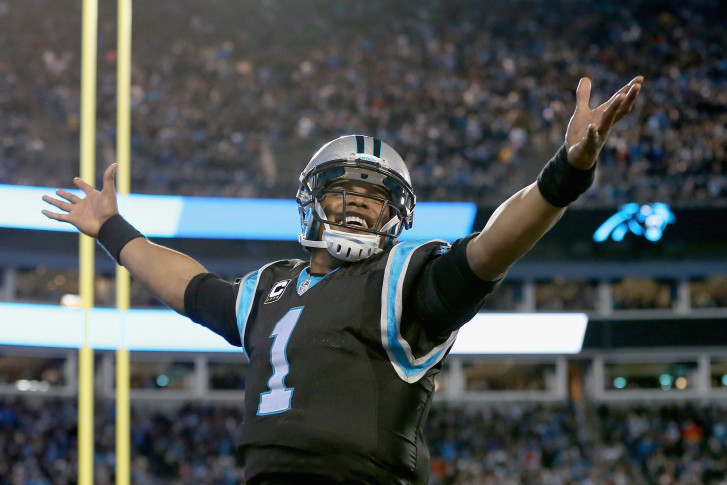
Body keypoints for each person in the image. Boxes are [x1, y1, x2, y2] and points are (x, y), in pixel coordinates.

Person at [42, 75, 643, 484]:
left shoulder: (405, 281)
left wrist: (566, 173)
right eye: (342, 191)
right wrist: (112, 228)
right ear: (313, 203)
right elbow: (188, 287)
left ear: (395, 215)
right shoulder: (269, 288)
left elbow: (492, 246)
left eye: (373, 197)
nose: (357, 206)